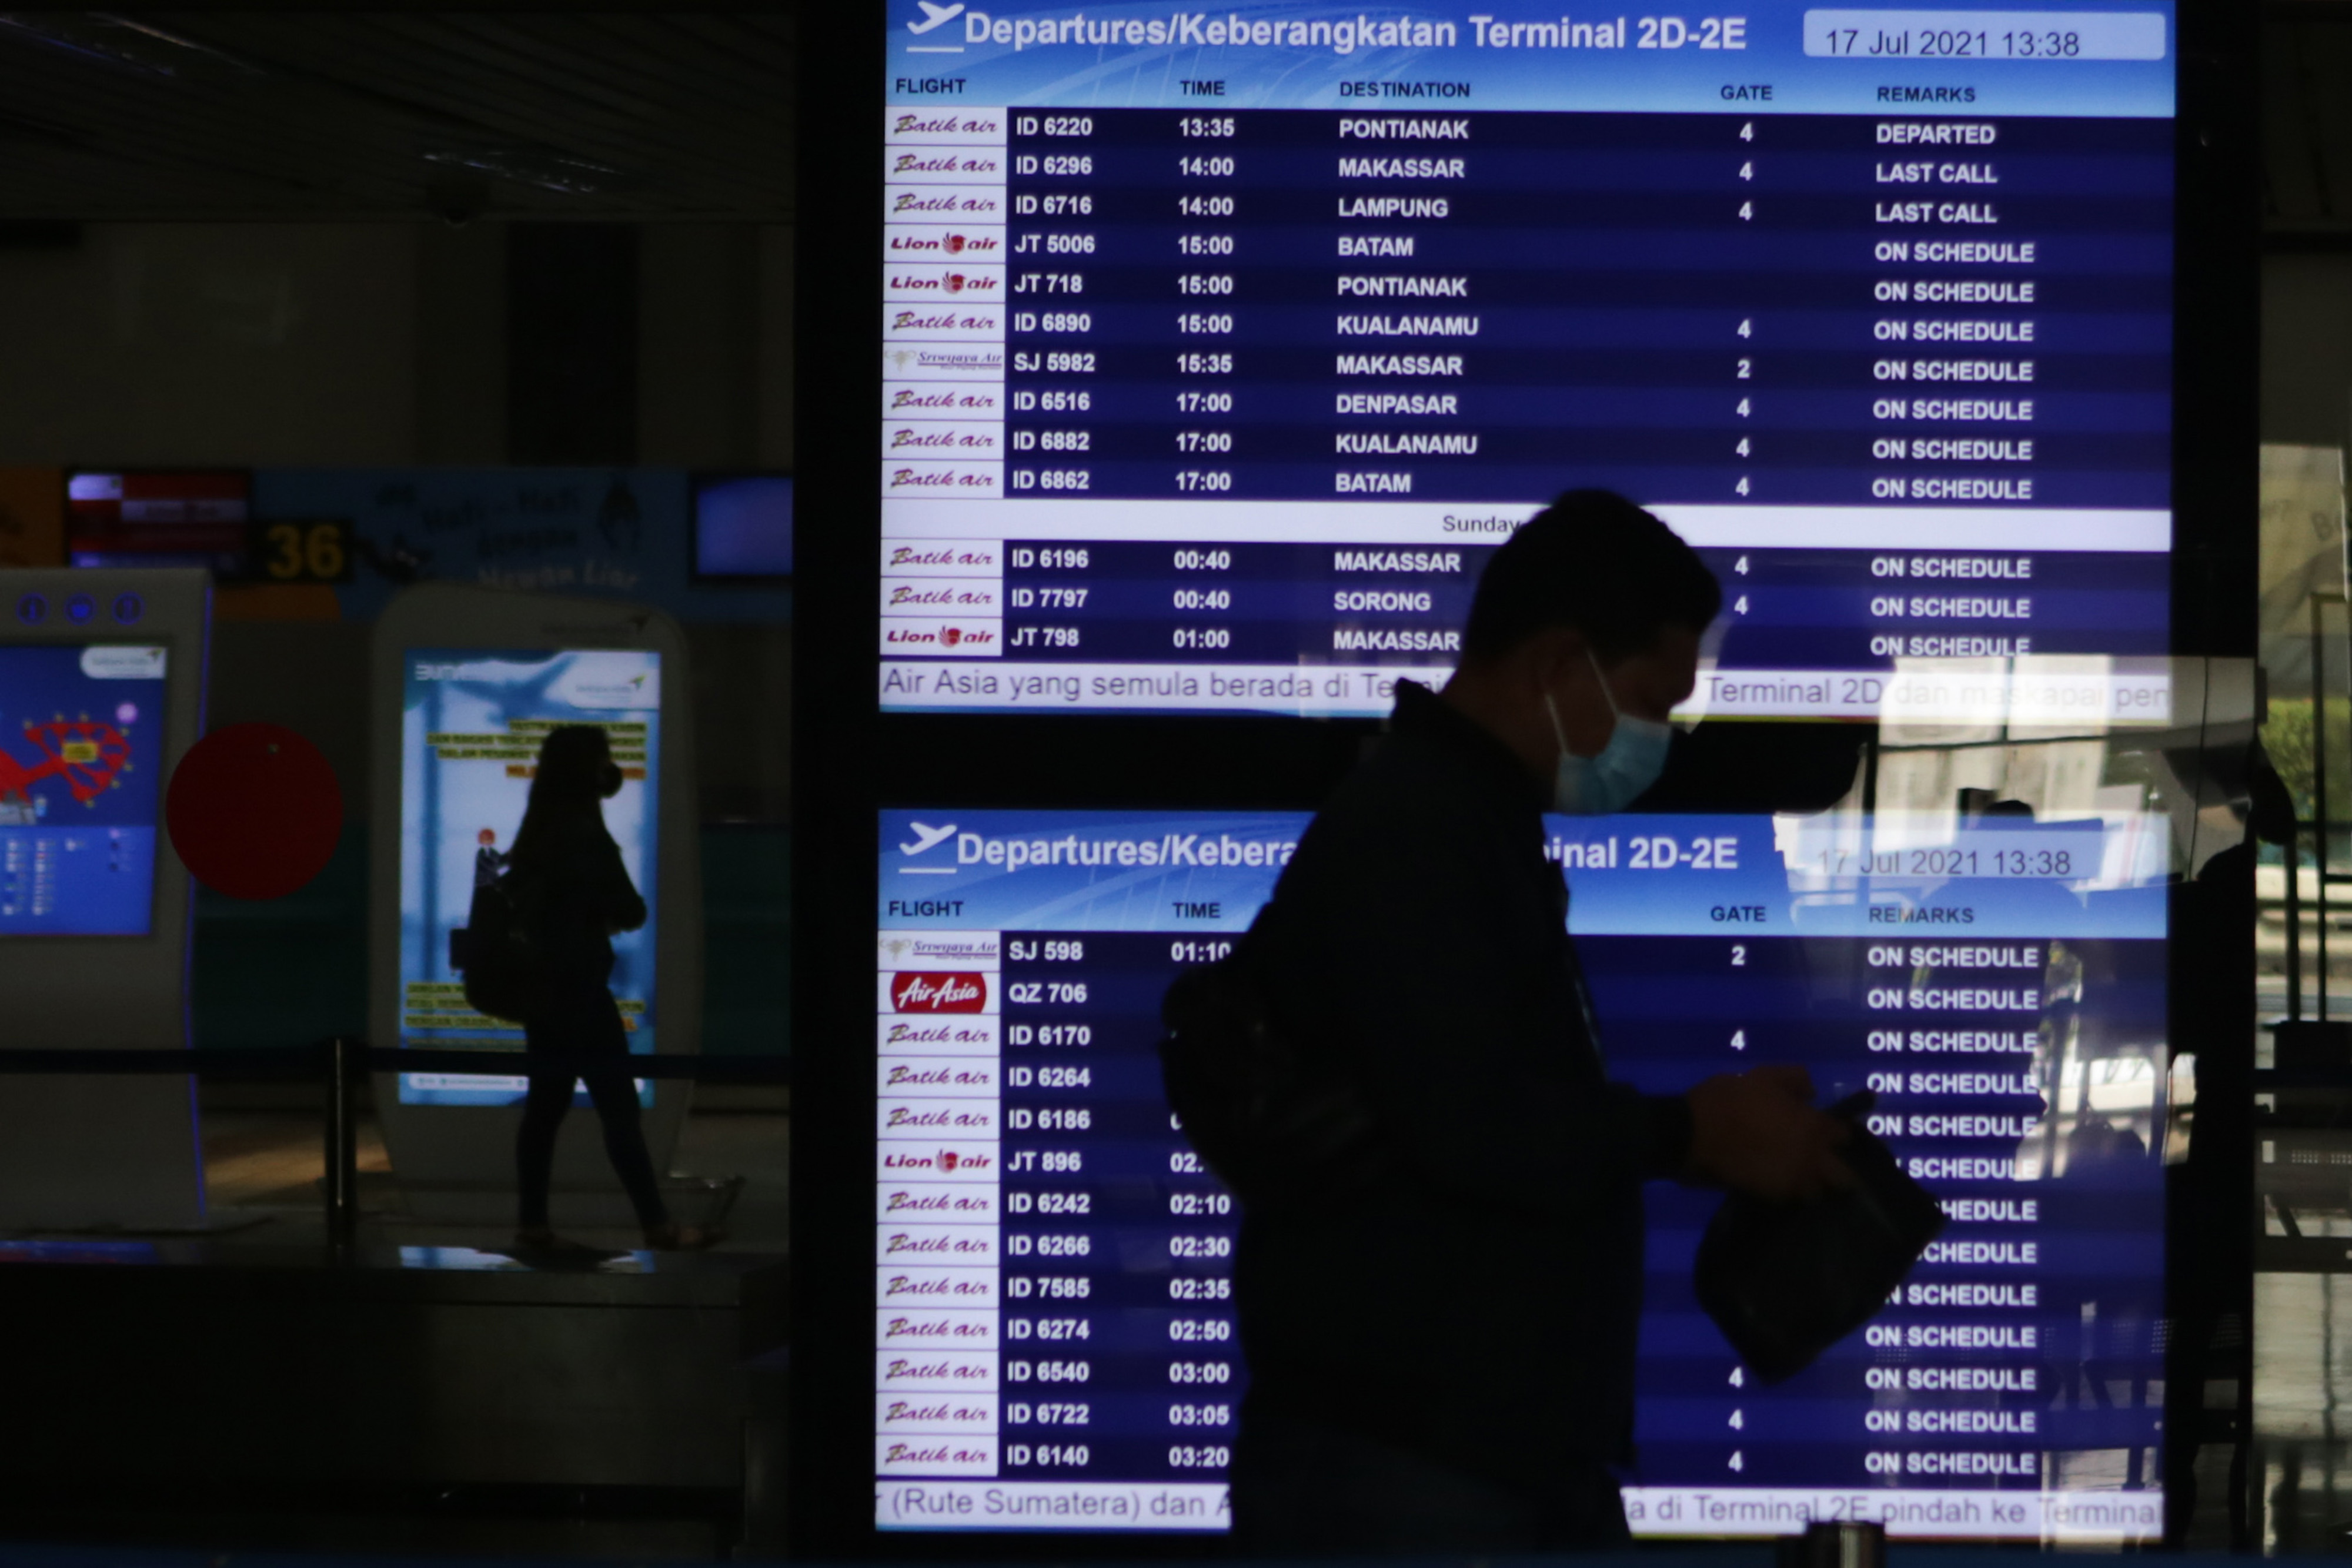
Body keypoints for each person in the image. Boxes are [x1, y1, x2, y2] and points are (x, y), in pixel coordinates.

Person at [1225, 490, 1851, 1553]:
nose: (1659, 742)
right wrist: (1691, 1133)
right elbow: (1471, 1121)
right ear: (1562, 668)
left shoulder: (1465, 822)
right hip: (1415, 1480)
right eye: (1654, 704)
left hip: (1476, 1462)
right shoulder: (1418, 836)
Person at [504, 724, 710, 1252]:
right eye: (604, 760)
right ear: (589, 771)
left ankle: (532, 1225)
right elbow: (631, 909)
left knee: (543, 1114)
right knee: (619, 1110)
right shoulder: (585, 833)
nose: (610, 771)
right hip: (583, 994)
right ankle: (657, 1226)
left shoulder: (535, 833)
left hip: (542, 995)